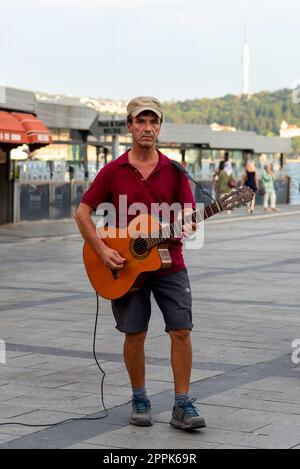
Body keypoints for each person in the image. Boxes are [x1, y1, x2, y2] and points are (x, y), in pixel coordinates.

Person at [75, 97, 206, 431]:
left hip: (170, 262)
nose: (148, 128)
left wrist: (190, 221)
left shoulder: (174, 169)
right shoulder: (113, 170)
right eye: (141, 121)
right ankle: (139, 397)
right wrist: (103, 252)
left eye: (154, 122)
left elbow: (189, 209)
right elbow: (82, 212)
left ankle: (182, 404)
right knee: (135, 334)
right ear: (130, 126)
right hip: (126, 265)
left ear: (159, 128)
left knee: (181, 330)